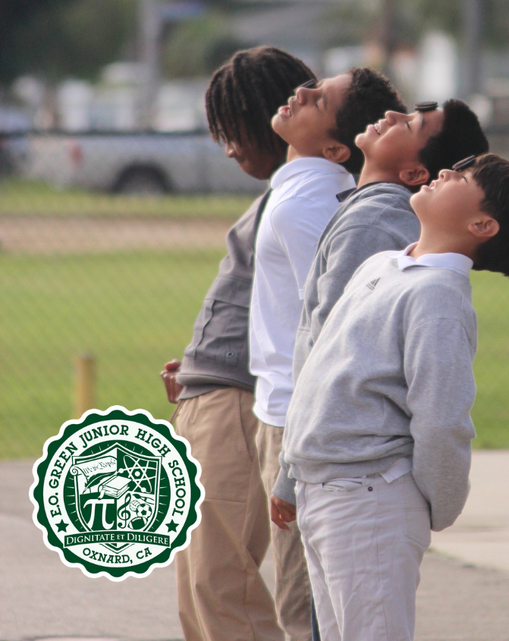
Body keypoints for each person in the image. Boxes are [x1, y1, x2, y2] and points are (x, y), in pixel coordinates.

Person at [276, 153, 509, 641]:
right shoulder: (383, 264)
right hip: (320, 488)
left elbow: (442, 417)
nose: (445, 171)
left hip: (369, 498)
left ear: (481, 224)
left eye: (464, 177)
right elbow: (321, 373)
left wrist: (436, 505)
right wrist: (289, 472)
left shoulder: (439, 297)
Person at [161, 45, 314, 641]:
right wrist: (200, 366)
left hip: (239, 401)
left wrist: (220, 372)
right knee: (200, 590)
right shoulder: (282, 194)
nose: (228, 147)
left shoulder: (302, 198)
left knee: (223, 586)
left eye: (234, 129)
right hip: (215, 391)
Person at [271, 98, 489, 513]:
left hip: (346, 476)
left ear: (414, 173)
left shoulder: (373, 222)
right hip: (337, 469)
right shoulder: (366, 210)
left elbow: (327, 352)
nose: (389, 115)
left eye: (409, 125)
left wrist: (288, 471)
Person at [250, 67, 404, 641]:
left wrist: (292, 456)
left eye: (318, 99)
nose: (301, 92)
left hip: (300, 415)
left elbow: (329, 320)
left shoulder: (312, 200)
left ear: (337, 147)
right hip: (279, 407)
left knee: (305, 609)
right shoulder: (295, 185)